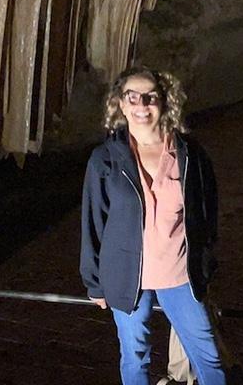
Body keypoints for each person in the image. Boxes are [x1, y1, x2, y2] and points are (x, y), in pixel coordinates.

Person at [80, 66, 227, 385]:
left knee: (207, 356)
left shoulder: (189, 154)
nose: (142, 105)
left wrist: (205, 262)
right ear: (120, 104)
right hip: (126, 275)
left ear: (164, 101)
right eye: (132, 97)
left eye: (150, 97)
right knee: (134, 357)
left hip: (179, 273)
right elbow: (93, 222)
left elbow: (207, 210)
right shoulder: (105, 159)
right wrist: (95, 283)